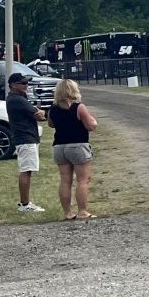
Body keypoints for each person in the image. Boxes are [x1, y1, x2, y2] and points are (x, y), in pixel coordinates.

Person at [49, 78, 98, 220]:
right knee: (83, 180)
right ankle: (83, 211)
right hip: (77, 145)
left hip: (59, 146)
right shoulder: (78, 107)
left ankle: (68, 213)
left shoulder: (53, 108)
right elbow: (91, 126)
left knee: (65, 180)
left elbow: (51, 124)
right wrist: (93, 121)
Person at [5, 70, 45, 214]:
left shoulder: (18, 98)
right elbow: (38, 115)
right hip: (25, 138)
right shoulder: (17, 99)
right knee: (26, 170)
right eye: (23, 83)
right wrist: (40, 113)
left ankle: (26, 203)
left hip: (26, 137)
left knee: (28, 170)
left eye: (26, 82)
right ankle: (25, 204)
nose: (26, 85)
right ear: (13, 85)